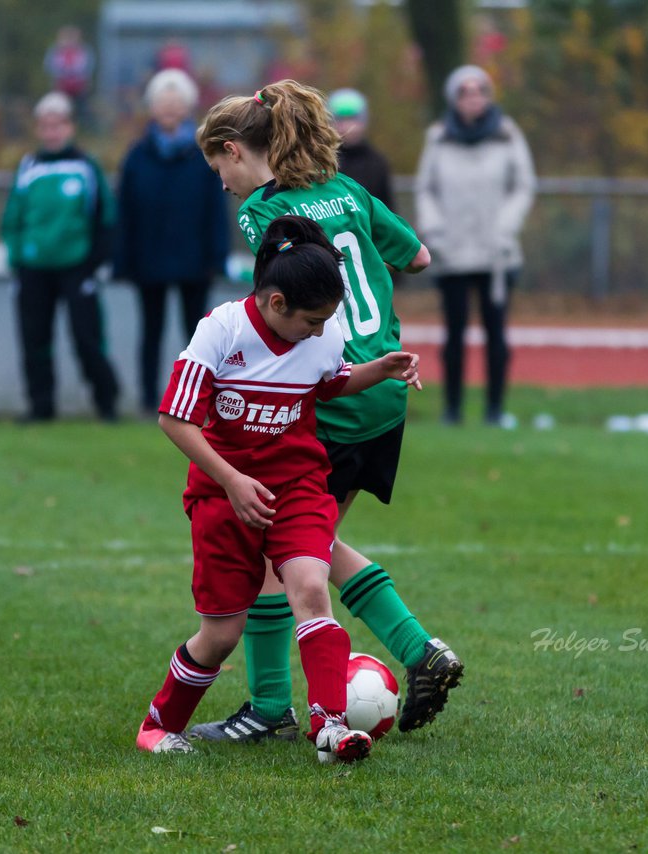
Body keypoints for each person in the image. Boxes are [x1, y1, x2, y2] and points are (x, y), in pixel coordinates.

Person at [187, 79, 462, 745]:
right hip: (387, 390)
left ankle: (274, 706)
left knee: (278, 551)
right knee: (313, 544)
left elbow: (276, 302)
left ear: (233, 150)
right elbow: (419, 256)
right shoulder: (352, 190)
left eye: (218, 169)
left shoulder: (263, 212)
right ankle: (416, 651)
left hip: (334, 391)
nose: (222, 185)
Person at [138, 215, 422, 761]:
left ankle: (330, 727)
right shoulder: (221, 330)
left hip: (297, 485)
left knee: (312, 589)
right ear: (275, 304)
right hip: (223, 496)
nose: (320, 331)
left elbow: (332, 381)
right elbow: (175, 420)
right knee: (220, 635)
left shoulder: (324, 331)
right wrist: (232, 480)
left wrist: (379, 368)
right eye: (311, 321)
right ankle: (157, 724)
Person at [414, 65, 535, 426]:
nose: (473, 99)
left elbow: (523, 185)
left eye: (479, 92)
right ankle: (452, 411)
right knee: (453, 336)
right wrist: (434, 230)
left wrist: (506, 227)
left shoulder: (507, 134)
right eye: (465, 93)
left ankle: (495, 410)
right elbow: (426, 189)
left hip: (497, 255)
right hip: (452, 254)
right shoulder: (438, 138)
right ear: (454, 98)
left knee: (497, 335)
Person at [0, 92, 119, 422]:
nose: (52, 132)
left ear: (69, 126)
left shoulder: (85, 166)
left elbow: (106, 218)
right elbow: (12, 219)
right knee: (34, 341)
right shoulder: (28, 167)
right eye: (46, 126)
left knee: (87, 339)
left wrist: (90, 266)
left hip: (76, 269)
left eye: (58, 125)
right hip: (33, 269)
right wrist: (17, 260)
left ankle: (106, 404)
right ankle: (40, 408)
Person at [115, 69, 228, 414]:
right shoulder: (136, 157)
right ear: (152, 107)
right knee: (150, 334)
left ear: (187, 107)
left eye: (176, 102)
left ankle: (197, 402)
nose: (169, 108)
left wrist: (216, 257)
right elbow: (125, 213)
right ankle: (150, 401)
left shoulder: (203, 156)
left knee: (197, 338)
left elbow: (217, 211)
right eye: (162, 102)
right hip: (149, 262)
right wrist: (124, 261)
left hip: (195, 261)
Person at [328, 88, 395, 211]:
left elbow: (387, 208)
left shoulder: (377, 162)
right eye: (341, 119)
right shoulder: (323, 160)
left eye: (352, 119)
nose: (347, 127)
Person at [43, 27, 94, 118]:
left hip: (79, 87)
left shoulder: (84, 51)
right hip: (61, 87)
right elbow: (50, 67)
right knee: (60, 110)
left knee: (81, 111)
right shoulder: (55, 51)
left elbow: (87, 68)